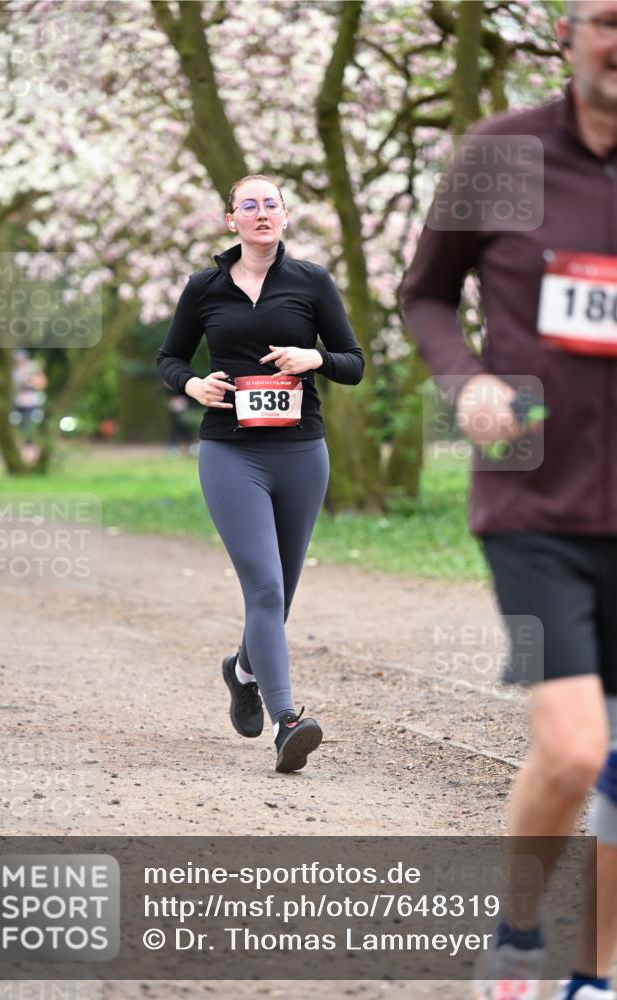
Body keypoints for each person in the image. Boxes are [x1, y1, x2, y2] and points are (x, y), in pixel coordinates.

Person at [400, 2, 617, 998]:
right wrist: (464, 382)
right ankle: (518, 931)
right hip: (532, 505)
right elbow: (427, 294)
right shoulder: (501, 153)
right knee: (574, 750)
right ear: (568, 34)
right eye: (610, 19)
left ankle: (594, 973)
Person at [157, 174, 364, 773]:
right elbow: (170, 357)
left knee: (282, 593)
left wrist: (316, 357)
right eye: (248, 205)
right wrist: (192, 383)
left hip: (302, 453)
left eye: (270, 204)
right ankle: (287, 722)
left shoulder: (311, 282)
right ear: (232, 221)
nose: (261, 213)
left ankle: (242, 669)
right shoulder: (205, 287)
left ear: (285, 216)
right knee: (265, 589)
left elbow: (353, 363)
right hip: (230, 452)